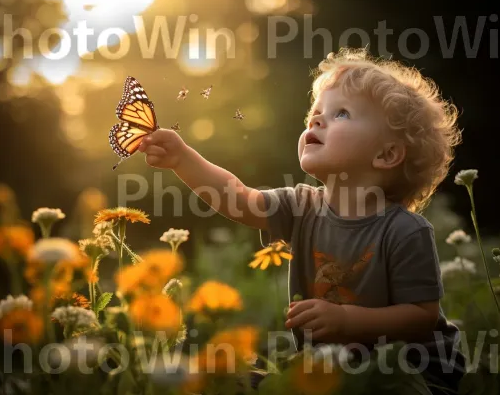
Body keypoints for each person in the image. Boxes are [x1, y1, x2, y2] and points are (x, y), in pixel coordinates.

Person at [138, 47, 466, 394]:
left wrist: (346, 321)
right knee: (234, 381)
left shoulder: (404, 230)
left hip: (410, 373)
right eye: (315, 113)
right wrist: (183, 159)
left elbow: (420, 318)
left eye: (341, 113)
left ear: (386, 155)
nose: (316, 120)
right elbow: (239, 199)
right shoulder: (302, 205)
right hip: (330, 373)